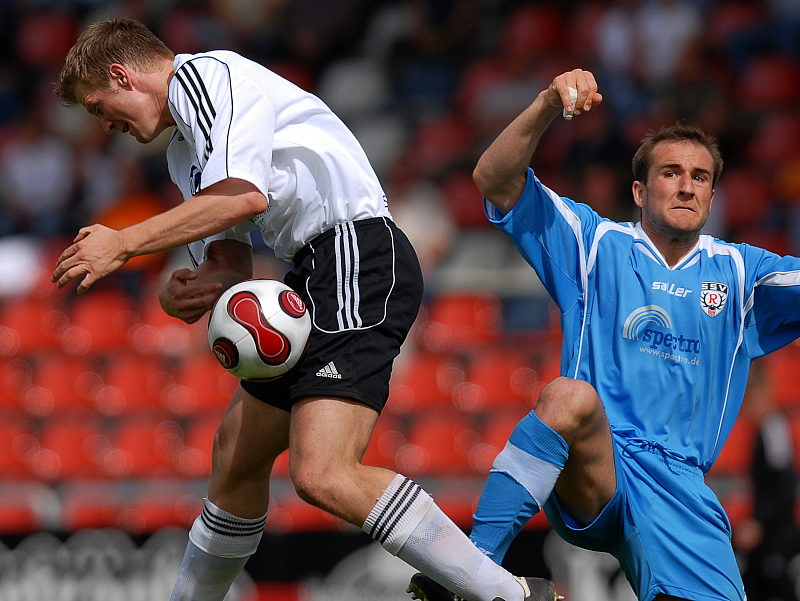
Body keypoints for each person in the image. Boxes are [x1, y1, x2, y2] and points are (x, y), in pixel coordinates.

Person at [51, 17, 557, 601]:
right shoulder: (182, 153)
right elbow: (230, 262)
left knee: (324, 474)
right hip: (313, 272)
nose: (105, 125)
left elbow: (243, 194)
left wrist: (125, 241)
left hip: (355, 253)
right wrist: (187, 290)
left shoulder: (207, 79)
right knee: (236, 457)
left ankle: (509, 595)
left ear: (122, 74)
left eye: (99, 106)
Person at [406, 68, 800, 601]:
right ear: (639, 190)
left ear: (711, 195)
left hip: (681, 488)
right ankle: (470, 570)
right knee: (568, 397)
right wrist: (547, 102)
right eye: (671, 172)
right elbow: (494, 178)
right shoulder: (593, 244)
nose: (686, 184)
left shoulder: (743, 275)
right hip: (600, 463)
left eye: (700, 177)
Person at [735, 362, 800, 601]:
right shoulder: (763, 430)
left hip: (777, 535)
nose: (746, 410)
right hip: (767, 535)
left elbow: (784, 486)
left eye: (748, 401)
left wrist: (758, 523)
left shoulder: (774, 428)